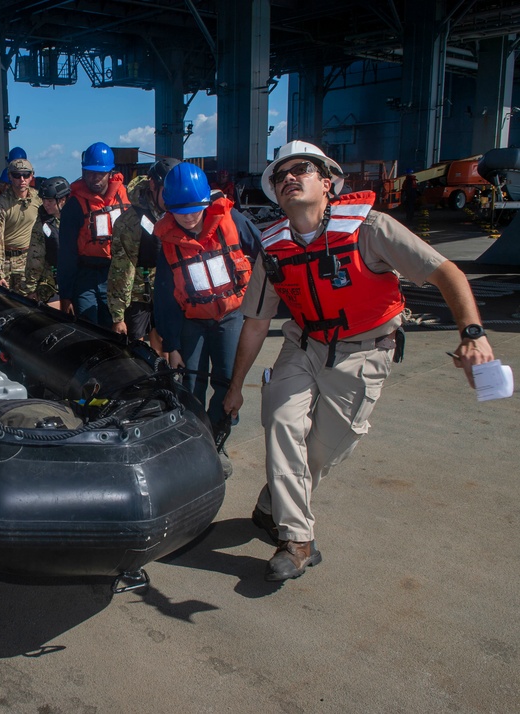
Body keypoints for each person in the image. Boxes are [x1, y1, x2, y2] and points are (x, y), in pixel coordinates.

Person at [222, 140, 496, 582]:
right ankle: (297, 540)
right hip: (304, 344)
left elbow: (447, 272)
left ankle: (275, 501)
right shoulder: (273, 249)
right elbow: (255, 324)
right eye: (280, 175)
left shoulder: (373, 229)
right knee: (281, 418)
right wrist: (236, 387)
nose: (289, 177)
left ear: (327, 182)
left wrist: (472, 333)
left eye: (302, 169)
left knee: (323, 451)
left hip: (364, 351)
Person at [152, 163, 260, 477]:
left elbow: (266, 253)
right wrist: (172, 344)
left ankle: (217, 436)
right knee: (190, 381)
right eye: (180, 211)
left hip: (230, 317)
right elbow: (164, 295)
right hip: (192, 320)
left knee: (227, 379)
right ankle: (193, 439)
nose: (188, 217)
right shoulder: (168, 240)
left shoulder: (233, 220)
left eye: (195, 209)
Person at [108, 158, 179, 352]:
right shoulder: (129, 222)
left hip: (171, 292)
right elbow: (121, 270)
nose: (172, 197)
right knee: (136, 348)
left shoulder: (182, 214)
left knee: (169, 346)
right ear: (153, 186)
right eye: (167, 191)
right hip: (140, 293)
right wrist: (118, 316)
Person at [58, 141, 130, 325]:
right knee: (88, 325)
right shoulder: (73, 206)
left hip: (115, 274)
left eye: (100, 173)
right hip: (85, 275)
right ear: (83, 173)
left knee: (114, 326)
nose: (94, 178)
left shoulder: (125, 198)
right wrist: (65, 295)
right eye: (89, 173)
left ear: (110, 173)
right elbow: (66, 253)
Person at [0, 158, 42, 292]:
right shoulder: (1, 204)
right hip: (5, 260)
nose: (22, 179)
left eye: (26, 175)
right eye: (17, 175)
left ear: (32, 176)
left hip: (28, 259)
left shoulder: (38, 199)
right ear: (10, 177)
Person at [22, 176, 69, 306]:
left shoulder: (75, 217)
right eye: (43, 200)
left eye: (49, 201)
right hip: (52, 281)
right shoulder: (43, 223)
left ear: (62, 200)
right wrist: (31, 288)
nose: (45, 204)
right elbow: (35, 256)